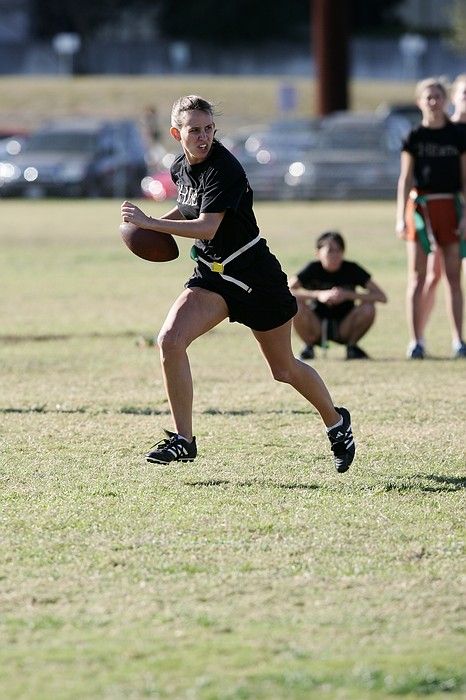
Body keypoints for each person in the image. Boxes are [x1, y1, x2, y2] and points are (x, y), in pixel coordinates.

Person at [121, 95, 355, 473]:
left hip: (256, 277)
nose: (203, 137)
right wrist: (145, 227)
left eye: (209, 129)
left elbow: (206, 226)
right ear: (176, 133)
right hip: (213, 277)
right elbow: (187, 207)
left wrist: (148, 223)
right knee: (170, 340)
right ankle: (184, 440)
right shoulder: (181, 166)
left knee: (284, 369)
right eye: (194, 130)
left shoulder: (223, 168)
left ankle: (337, 423)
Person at [395, 77, 466, 359]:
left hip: (449, 206)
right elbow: (405, 179)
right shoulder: (414, 137)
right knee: (417, 276)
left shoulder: (457, 136)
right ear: (420, 102)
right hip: (420, 209)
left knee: (453, 276)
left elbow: (464, 179)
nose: (434, 102)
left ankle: (458, 340)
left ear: (446, 100)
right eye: (429, 97)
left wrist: (464, 215)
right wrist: (400, 217)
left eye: (438, 97)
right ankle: (416, 341)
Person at [416, 75, 466, 353]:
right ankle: (418, 337)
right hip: (450, 210)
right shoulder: (447, 131)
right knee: (436, 275)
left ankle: (458, 338)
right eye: (464, 93)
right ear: (454, 97)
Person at [288, 231, 387, 361]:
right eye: (330, 251)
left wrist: (348, 295)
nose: (335, 255)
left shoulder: (351, 269)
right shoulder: (312, 269)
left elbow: (381, 297)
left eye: (339, 250)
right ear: (318, 253)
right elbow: (285, 291)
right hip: (316, 325)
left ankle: (352, 347)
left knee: (369, 307)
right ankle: (308, 347)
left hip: (345, 325)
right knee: (296, 305)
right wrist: (318, 295)